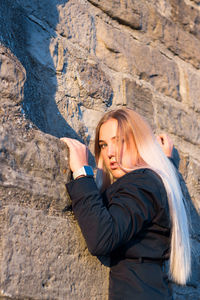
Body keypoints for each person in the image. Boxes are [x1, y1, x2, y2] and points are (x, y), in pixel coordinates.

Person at [61, 108, 191, 300]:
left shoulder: (141, 182)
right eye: (103, 145)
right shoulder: (155, 181)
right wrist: (166, 161)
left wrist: (82, 173)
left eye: (119, 140)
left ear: (139, 143)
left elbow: (102, 237)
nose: (110, 153)